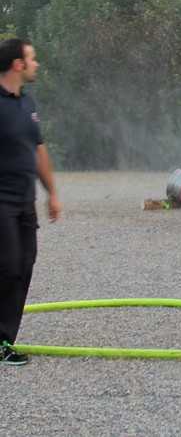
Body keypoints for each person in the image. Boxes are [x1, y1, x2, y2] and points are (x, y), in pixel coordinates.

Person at [0, 38, 61, 366]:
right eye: (32, 59)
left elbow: (38, 150)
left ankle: (5, 340)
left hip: (25, 201)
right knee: (8, 267)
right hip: (1, 202)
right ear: (17, 65)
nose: (36, 64)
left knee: (24, 266)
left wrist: (51, 192)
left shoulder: (28, 102)